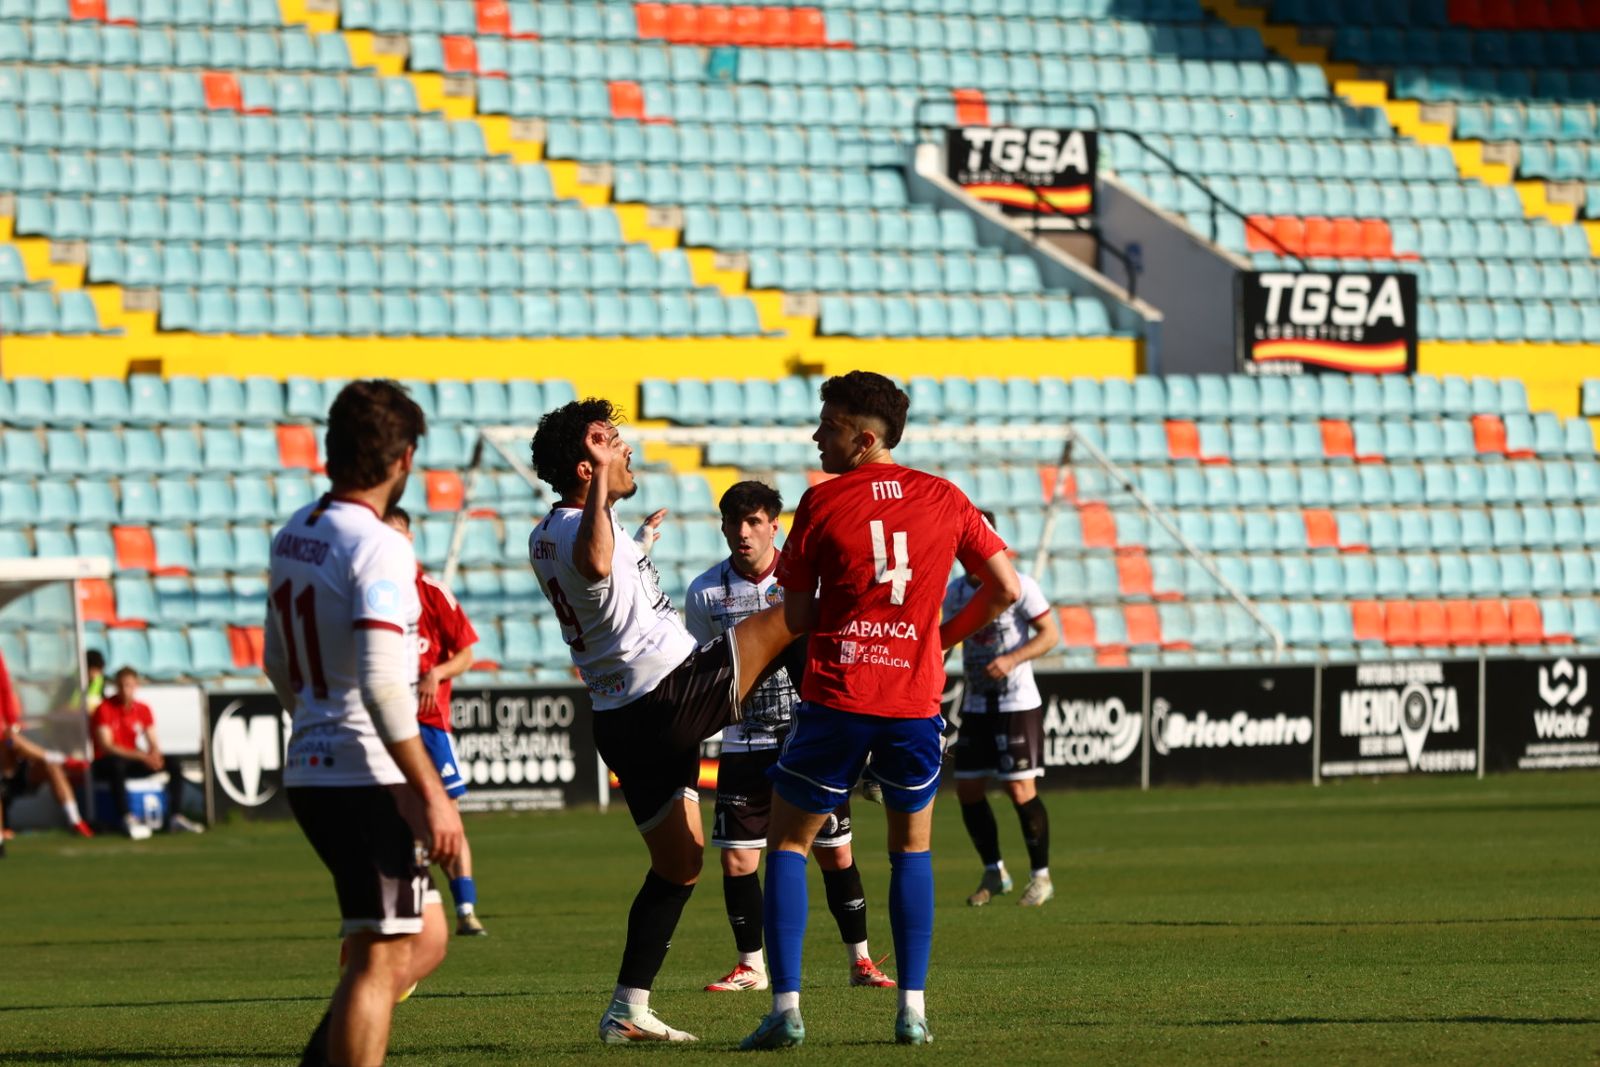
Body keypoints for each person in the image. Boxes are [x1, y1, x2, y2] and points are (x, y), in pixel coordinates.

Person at [740, 371, 1021, 1050]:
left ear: (865, 439)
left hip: (839, 695)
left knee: (785, 843)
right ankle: (912, 1011)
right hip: (913, 699)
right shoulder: (946, 497)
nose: (816, 435)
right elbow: (1005, 587)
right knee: (911, 849)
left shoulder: (821, 501)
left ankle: (785, 1008)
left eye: (828, 424)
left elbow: (800, 614)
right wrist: (936, 639)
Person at [527, 397, 806, 1044]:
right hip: (669, 695)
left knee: (680, 865)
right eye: (612, 444)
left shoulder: (550, 530)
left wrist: (638, 541)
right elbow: (595, 563)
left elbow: (604, 572)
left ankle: (628, 1007)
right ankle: (847, 725)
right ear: (585, 463)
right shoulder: (582, 528)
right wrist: (603, 489)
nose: (627, 451)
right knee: (795, 609)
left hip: (622, 719)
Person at [263, 379, 465, 1067]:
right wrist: (430, 790)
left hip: (316, 761)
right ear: (404, 458)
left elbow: (275, 661)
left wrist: (317, 724)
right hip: (362, 770)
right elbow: (383, 684)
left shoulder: (295, 531)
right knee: (380, 958)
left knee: (424, 935)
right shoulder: (380, 547)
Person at [684, 481, 894, 995]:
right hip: (742, 741)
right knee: (737, 858)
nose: (743, 532)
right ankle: (750, 966)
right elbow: (696, 664)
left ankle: (860, 960)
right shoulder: (705, 591)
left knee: (834, 852)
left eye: (754, 522)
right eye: (733, 522)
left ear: (774, 526)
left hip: (809, 741)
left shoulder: (804, 583)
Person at [943, 512, 1061, 908]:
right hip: (976, 702)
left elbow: (1050, 635)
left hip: (1016, 701)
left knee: (1019, 787)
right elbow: (945, 642)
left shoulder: (1020, 585)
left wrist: (1012, 660)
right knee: (969, 789)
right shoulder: (956, 592)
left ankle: (1041, 876)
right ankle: (994, 870)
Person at [382, 505, 488, 937]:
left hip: (427, 722)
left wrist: (436, 672)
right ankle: (396, 906)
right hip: (384, 720)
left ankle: (465, 908)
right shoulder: (370, 593)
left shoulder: (432, 592)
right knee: (391, 820)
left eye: (395, 534)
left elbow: (465, 653)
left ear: (408, 539)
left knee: (447, 815)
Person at [90, 667, 199, 838]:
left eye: (130, 686)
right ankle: (126, 817)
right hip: (105, 761)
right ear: (117, 687)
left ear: (136, 686)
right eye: (123, 686)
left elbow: (152, 739)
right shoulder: (104, 709)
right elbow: (107, 746)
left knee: (173, 762)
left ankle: (176, 816)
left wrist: (155, 754)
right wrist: (142, 756)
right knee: (116, 765)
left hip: (133, 758)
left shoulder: (143, 709)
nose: (127, 690)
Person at [1, 645, 93, 838]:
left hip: (15, 758)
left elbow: (7, 696)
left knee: (48, 764)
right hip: (7, 753)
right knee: (9, 740)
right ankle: (59, 757)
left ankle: (76, 821)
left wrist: (13, 726)